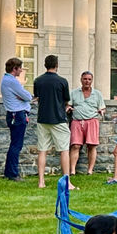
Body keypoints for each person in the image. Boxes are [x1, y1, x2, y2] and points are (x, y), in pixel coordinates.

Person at [33, 54, 72, 189]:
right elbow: (66, 99)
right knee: (64, 150)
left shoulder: (38, 80)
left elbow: (36, 97)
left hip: (42, 118)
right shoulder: (62, 81)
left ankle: (41, 182)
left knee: (42, 150)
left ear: (45, 65)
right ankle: (67, 182)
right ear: (56, 65)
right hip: (58, 118)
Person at [0, 57, 32, 181]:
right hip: (17, 115)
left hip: (14, 114)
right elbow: (27, 96)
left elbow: (23, 96)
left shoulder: (6, 80)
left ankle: (9, 172)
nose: (21, 71)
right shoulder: (12, 81)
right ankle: (13, 173)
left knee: (14, 144)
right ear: (15, 69)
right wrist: (24, 97)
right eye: (20, 69)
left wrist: (22, 96)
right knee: (16, 145)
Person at [69, 71, 105, 176]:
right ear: (81, 79)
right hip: (77, 121)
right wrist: (68, 108)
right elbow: (68, 105)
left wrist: (102, 111)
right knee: (75, 146)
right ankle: (72, 170)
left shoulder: (97, 94)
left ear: (92, 81)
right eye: (85, 79)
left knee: (91, 146)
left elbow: (102, 107)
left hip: (92, 121)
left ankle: (90, 170)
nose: (87, 81)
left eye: (89, 79)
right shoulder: (74, 93)